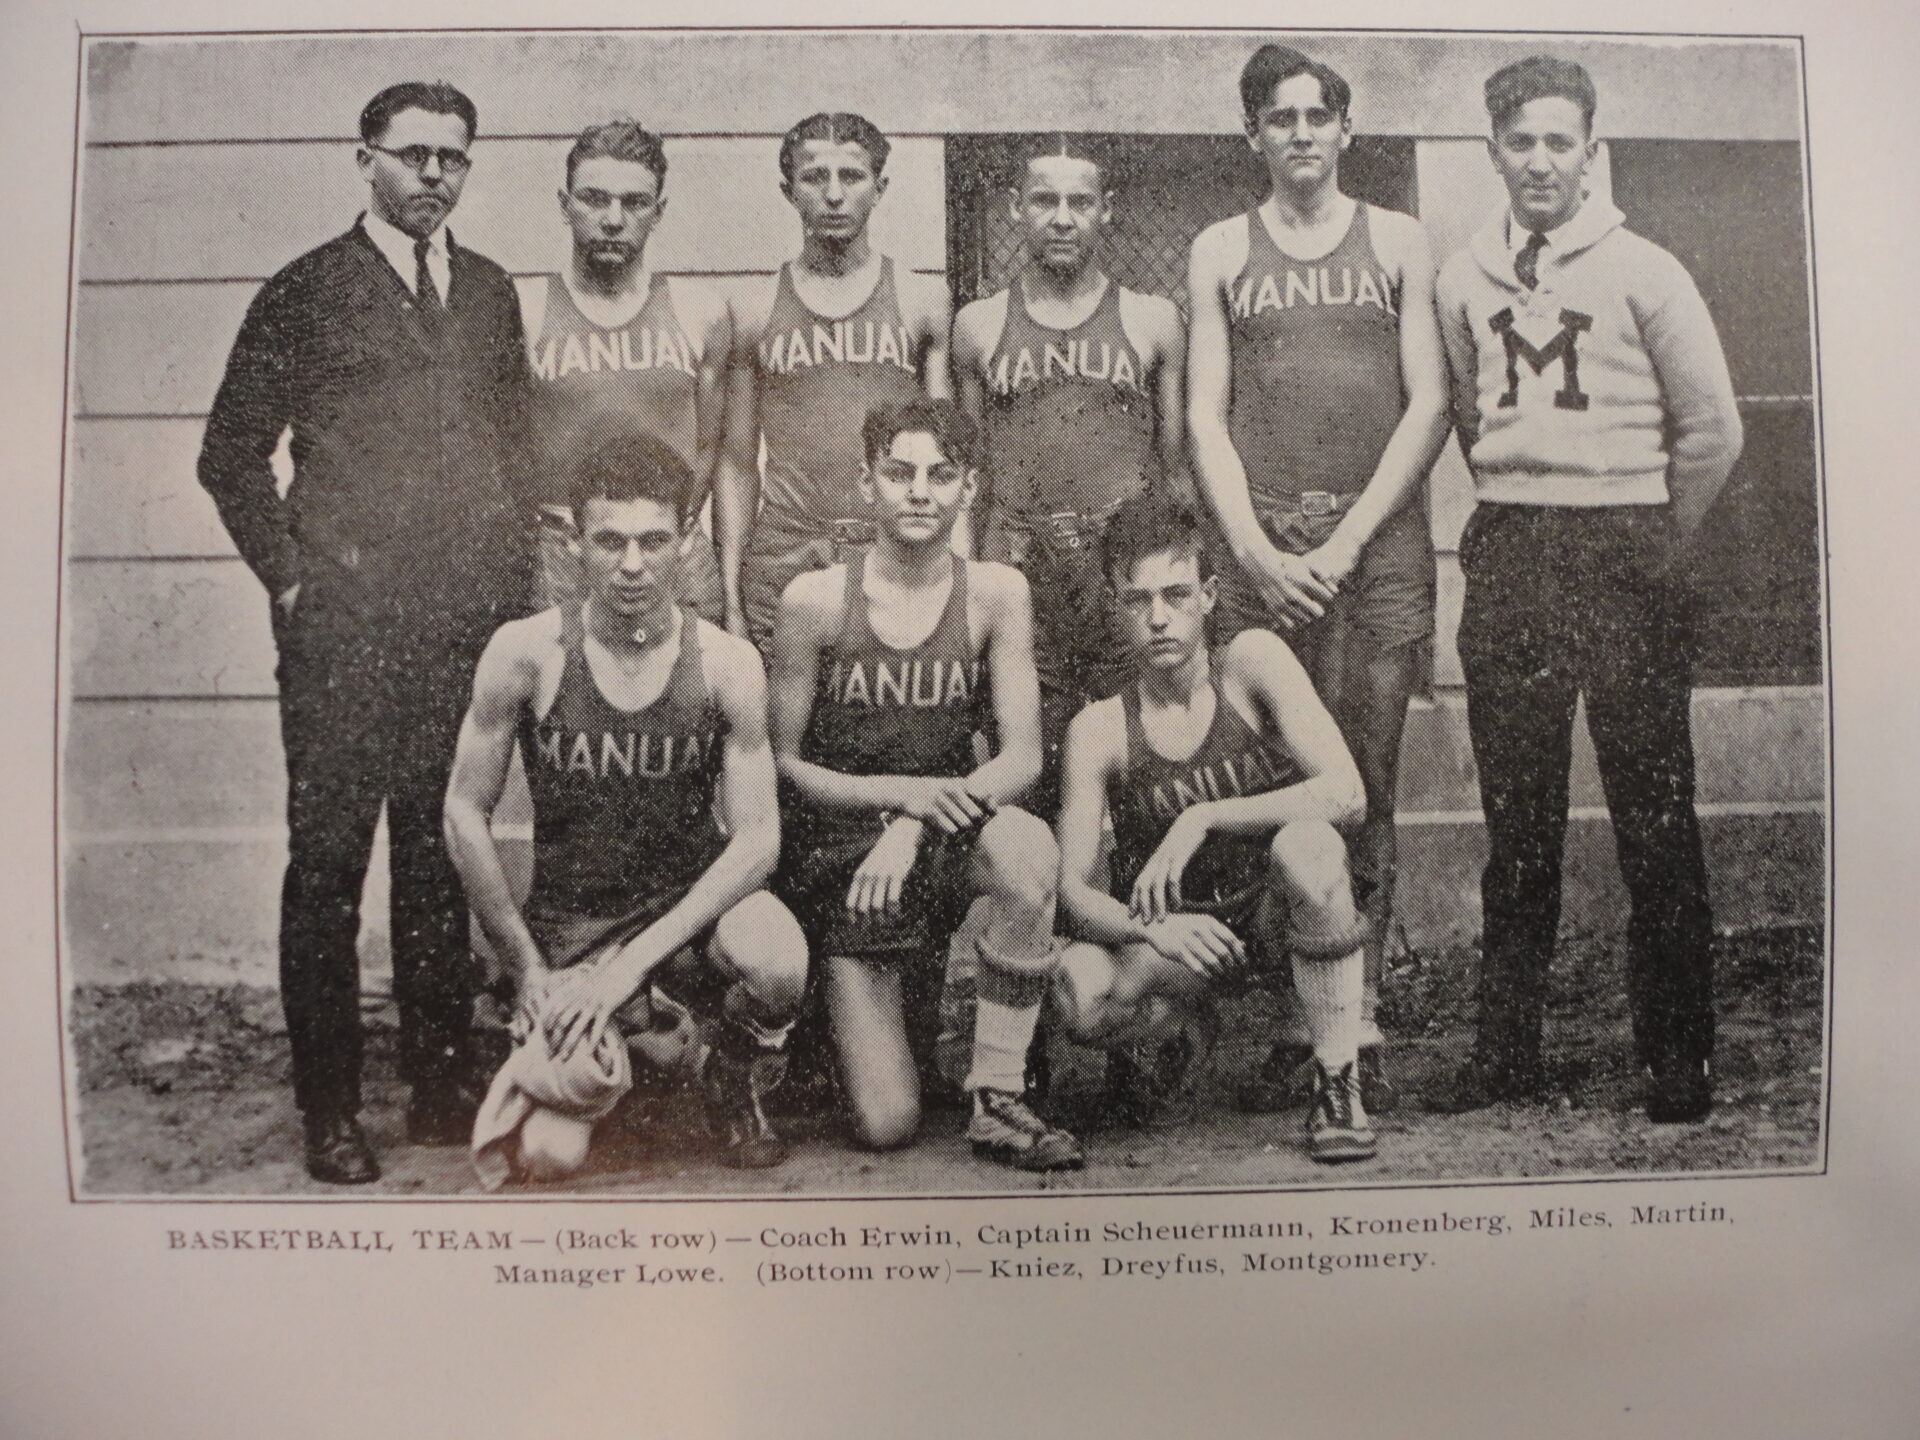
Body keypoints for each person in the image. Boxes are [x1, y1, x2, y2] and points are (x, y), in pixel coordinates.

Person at [197, 82, 531, 1185]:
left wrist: (510, 600)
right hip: (344, 630)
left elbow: (515, 458)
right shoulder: (304, 292)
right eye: (414, 156)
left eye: (454, 159)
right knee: (330, 866)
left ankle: (439, 1086)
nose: (434, 175)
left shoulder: (485, 292)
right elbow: (231, 457)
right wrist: (293, 585)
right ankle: (331, 1111)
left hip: (459, 630)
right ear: (365, 161)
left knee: (441, 856)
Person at [1431, 56, 1742, 1122]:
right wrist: (1529, 505)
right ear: (1494, 154)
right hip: (1516, 552)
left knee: (1655, 817)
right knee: (1518, 829)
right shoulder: (1463, 276)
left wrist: (1647, 539)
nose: (1540, 162)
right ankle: (1507, 1052)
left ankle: (1677, 1058)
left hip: (1629, 556)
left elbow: (1713, 430)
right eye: (1521, 143)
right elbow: (1476, 425)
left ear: (1591, 152)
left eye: (1560, 142)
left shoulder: (1646, 268)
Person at [1186, 44, 1451, 1113]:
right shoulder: (1218, 249)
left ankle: (1364, 1010)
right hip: (1264, 556)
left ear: (1346, 130)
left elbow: (1428, 403)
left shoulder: (1398, 239)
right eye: (1278, 119)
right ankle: (1296, 1017)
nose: (1299, 134)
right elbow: (1205, 414)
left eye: (1316, 116)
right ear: (1253, 136)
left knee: (1369, 782)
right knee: (1271, 781)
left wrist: (1342, 548)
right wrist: (1251, 548)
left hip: (1373, 553)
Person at [443, 432, 807, 1178]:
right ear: (575, 544)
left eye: (654, 541)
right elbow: (462, 812)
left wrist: (635, 963)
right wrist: (525, 967)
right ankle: (644, 1042)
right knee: (548, 1155)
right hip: (577, 929)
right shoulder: (526, 651)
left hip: (689, 920)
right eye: (609, 541)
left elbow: (759, 841)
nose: (633, 565)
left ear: (685, 543)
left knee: (777, 957)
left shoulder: (728, 664)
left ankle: (725, 1073)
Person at [768, 397, 1080, 1171]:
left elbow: (1022, 759)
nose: (919, 491)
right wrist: (896, 800)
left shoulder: (996, 593)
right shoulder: (812, 602)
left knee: (1028, 848)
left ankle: (999, 1096)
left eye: (941, 475)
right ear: (865, 482)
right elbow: (784, 765)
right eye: (899, 472)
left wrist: (916, 819)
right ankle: (831, 1033)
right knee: (888, 1121)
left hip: (936, 837)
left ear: (969, 488)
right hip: (846, 862)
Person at [1050, 495, 1376, 1163]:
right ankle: (1177, 1025)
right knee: (1079, 993)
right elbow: (1072, 892)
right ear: (1117, 607)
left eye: (1175, 593)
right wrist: (1150, 929)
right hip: (1184, 938)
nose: (1159, 617)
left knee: (1311, 844)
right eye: (1138, 600)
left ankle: (1337, 1083)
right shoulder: (1102, 729)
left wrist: (1203, 816)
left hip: (1272, 918)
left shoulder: (1251, 662)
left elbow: (1347, 794)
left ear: (1208, 594)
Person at [952, 134, 1188, 817]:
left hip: (1120, 572)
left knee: (1144, 754)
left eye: (1079, 202)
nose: (1062, 217)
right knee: (1032, 760)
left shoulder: (1152, 319)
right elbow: (972, 474)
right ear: (1015, 209)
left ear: (1105, 210)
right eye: (1044, 200)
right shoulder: (980, 324)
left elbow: (1172, 472)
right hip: (1024, 567)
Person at [723, 112, 951, 648]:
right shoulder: (755, 308)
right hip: (787, 553)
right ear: (789, 191)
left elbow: (952, 457)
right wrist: (733, 600)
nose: (833, 196)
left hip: (891, 551)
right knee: (782, 727)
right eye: (814, 178)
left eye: (851, 178)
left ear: (880, 189)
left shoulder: (920, 301)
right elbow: (735, 463)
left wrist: (949, 572)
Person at [520, 119, 731, 623]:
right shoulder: (524, 310)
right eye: (593, 199)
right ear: (564, 204)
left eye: (634, 203)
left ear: (658, 213)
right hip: (565, 552)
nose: (612, 219)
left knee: (689, 694)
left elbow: (710, 446)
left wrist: (669, 530)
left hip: (672, 553)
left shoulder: (699, 309)